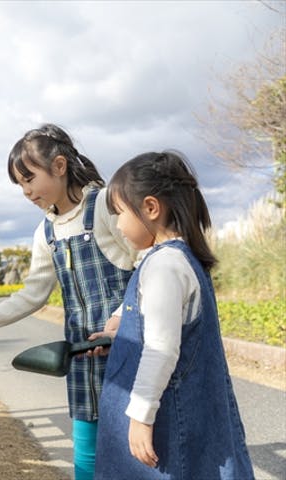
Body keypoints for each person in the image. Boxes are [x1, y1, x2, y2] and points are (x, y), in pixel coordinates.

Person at [0, 123, 139, 480]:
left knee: (136, 446)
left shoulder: (104, 207)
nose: (25, 191)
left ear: (60, 166)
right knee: (85, 455)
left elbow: (144, 266)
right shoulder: (46, 232)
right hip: (82, 354)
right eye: (19, 184)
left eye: (29, 179)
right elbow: (32, 294)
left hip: (126, 345)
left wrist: (118, 319)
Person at [93, 151, 254, 479]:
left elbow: (161, 349)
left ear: (151, 208)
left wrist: (140, 416)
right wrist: (121, 339)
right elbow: (160, 330)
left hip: (166, 421)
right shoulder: (179, 259)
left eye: (119, 213)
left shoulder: (164, 265)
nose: (118, 225)